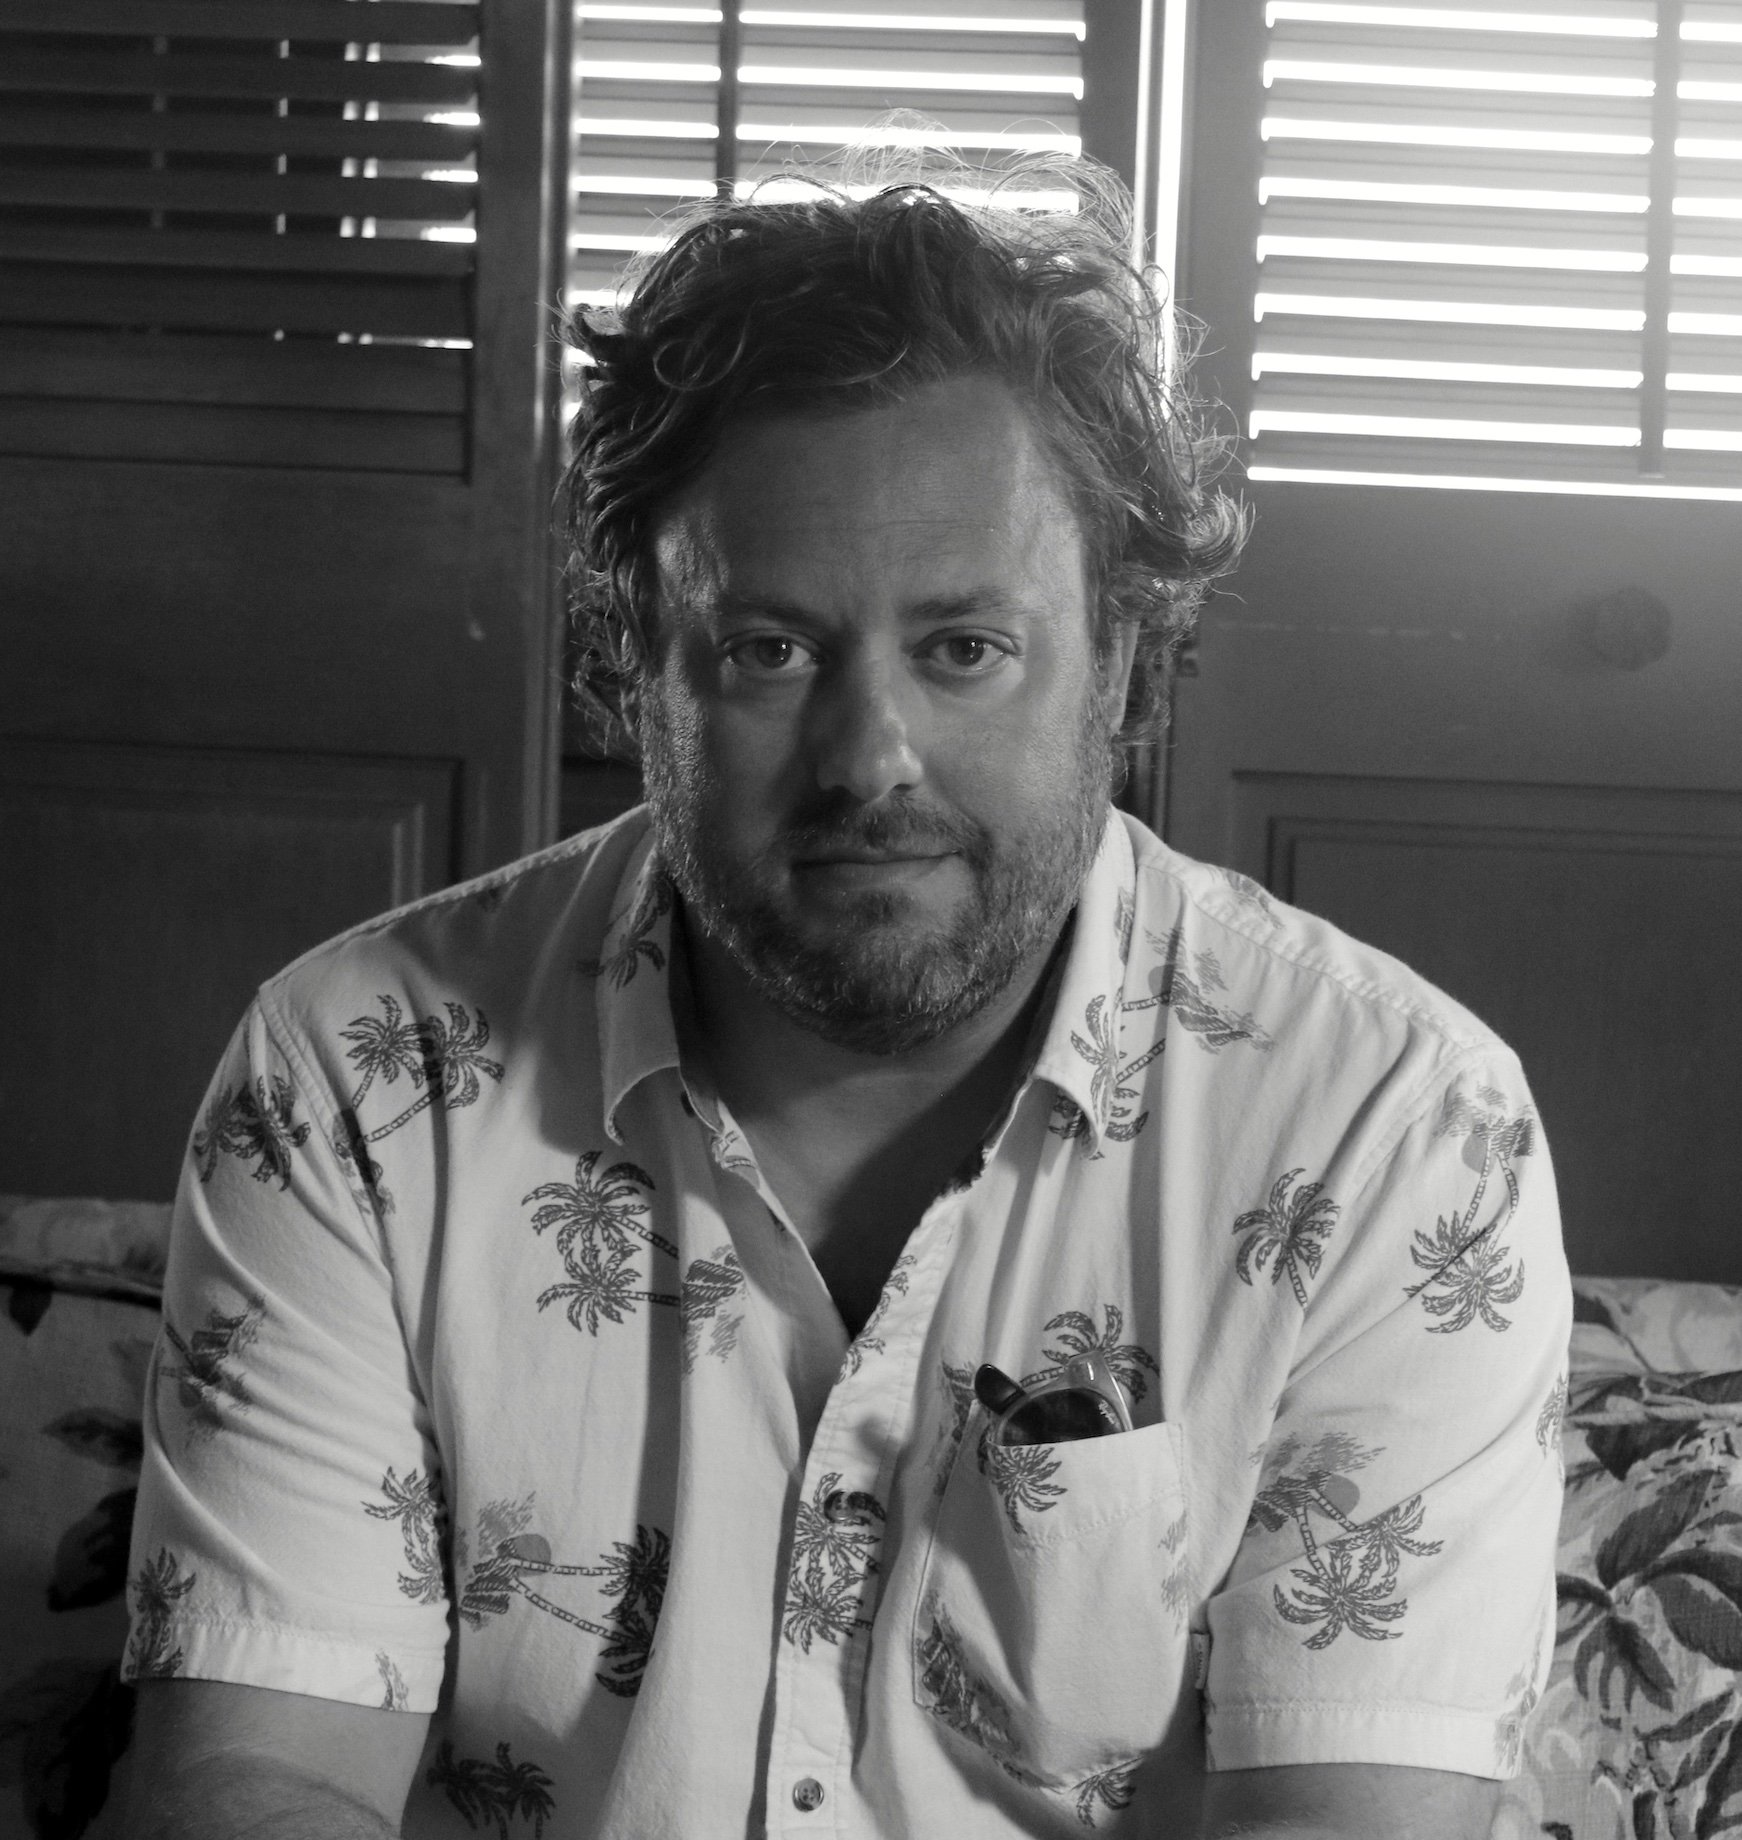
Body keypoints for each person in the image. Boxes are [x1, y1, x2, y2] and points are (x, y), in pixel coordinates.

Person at [124, 157, 1570, 1840]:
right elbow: (260, 1780)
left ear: (1115, 662)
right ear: (633, 668)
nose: (869, 761)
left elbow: (1346, 1821)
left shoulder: (1395, 1125)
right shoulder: (351, 1080)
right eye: (769, 650)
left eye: (964, 649)